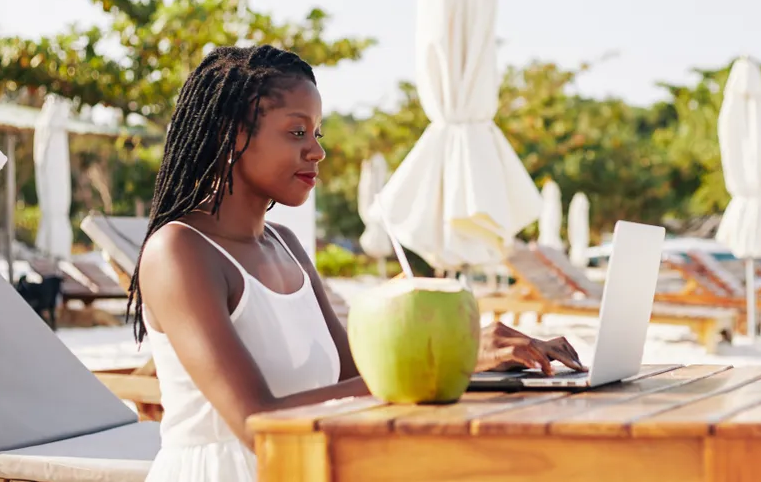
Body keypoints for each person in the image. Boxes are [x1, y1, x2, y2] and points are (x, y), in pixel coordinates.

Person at [129, 45, 583, 482]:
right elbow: (256, 424)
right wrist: (446, 364)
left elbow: (358, 374)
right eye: (296, 132)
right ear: (231, 136)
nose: (317, 151)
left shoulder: (284, 244)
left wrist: (471, 354)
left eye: (317, 133)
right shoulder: (180, 252)